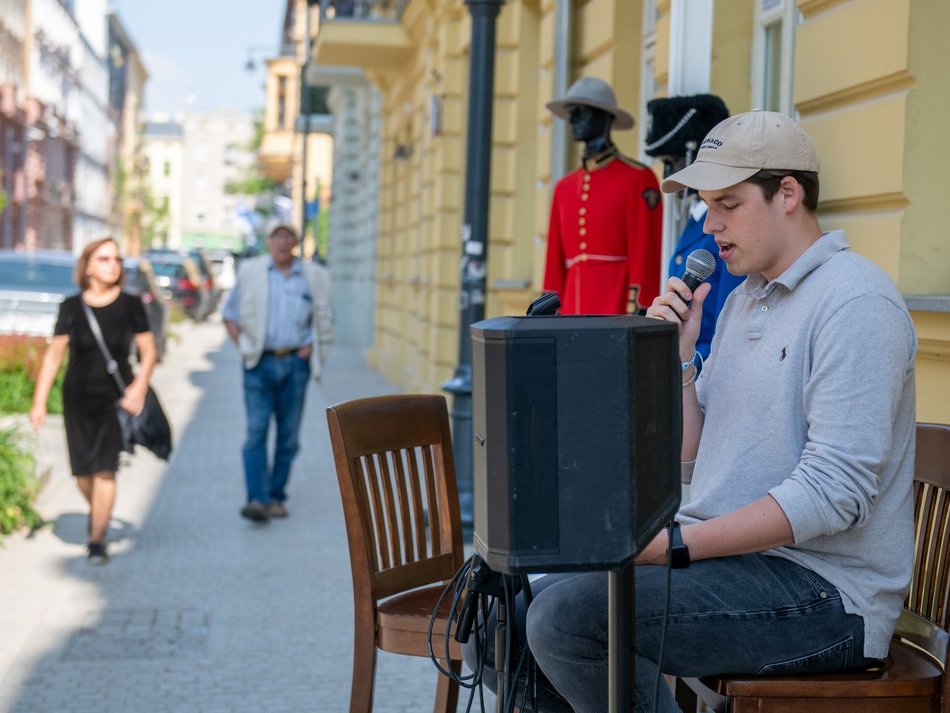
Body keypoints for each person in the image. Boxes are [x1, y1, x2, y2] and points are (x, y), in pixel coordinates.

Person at [464, 110, 918, 712]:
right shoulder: (741, 301)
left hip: (826, 595)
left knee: (566, 622)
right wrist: (678, 366)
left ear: (787, 194)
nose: (711, 224)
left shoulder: (855, 302)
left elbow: (834, 492)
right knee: (496, 621)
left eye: (728, 204)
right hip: (737, 563)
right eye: (706, 204)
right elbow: (695, 455)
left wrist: (678, 544)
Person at [30, 238, 158, 565]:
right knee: (82, 474)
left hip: (116, 400)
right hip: (77, 400)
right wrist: (39, 402)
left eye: (116, 259)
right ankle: (98, 512)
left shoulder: (130, 304)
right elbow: (53, 357)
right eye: (104, 259)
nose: (112, 265)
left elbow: (149, 351)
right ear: (87, 265)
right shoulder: (71, 307)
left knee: (105, 471)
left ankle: (96, 539)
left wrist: (139, 388)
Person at [222, 224, 332, 523]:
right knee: (256, 431)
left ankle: (276, 496)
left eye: (288, 236)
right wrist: (244, 348)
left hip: (295, 366)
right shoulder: (251, 271)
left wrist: (313, 343)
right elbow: (229, 316)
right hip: (259, 363)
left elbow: (324, 317)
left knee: (289, 437)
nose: (283, 242)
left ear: (296, 241)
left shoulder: (313, 277)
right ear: (268, 241)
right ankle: (257, 499)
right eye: (277, 236)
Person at [543, 77, 662, 315]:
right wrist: (548, 308)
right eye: (571, 113)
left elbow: (646, 253)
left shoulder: (637, 178)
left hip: (616, 305)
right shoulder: (564, 187)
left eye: (581, 112)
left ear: (604, 117)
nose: (573, 120)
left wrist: (639, 307)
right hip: (570, 308)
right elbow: (554, 262)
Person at [667, 194, 745, 361]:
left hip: (707, 357)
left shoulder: (726, 230)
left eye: (729, 205)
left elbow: (729, 313)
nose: (708, 227)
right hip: (687, 352)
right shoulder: (696, 214)